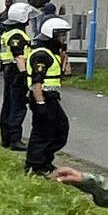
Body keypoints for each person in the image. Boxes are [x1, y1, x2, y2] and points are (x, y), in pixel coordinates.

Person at [25, 18, 73, 176]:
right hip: (42, 97)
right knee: (42, 132)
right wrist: (40, 103)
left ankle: (45, 160)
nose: (63, 39)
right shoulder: (41, 55)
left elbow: (66, 73)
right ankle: (35, 165)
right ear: (51, 35)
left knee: (60, 129)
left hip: (51, 98)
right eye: (61, 35)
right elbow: (37, 81)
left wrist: (64, 57)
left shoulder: (52, 53)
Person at [0, 2, 35, 151]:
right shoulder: (17, 34)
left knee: (8, 104)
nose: (29, 20)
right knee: (17, 106)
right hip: (17, 72)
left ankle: (6, 138)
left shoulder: (7, 32)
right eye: (27, 17)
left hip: (9, 71)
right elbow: (19, 56)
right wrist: (25, 74)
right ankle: (15, 139)